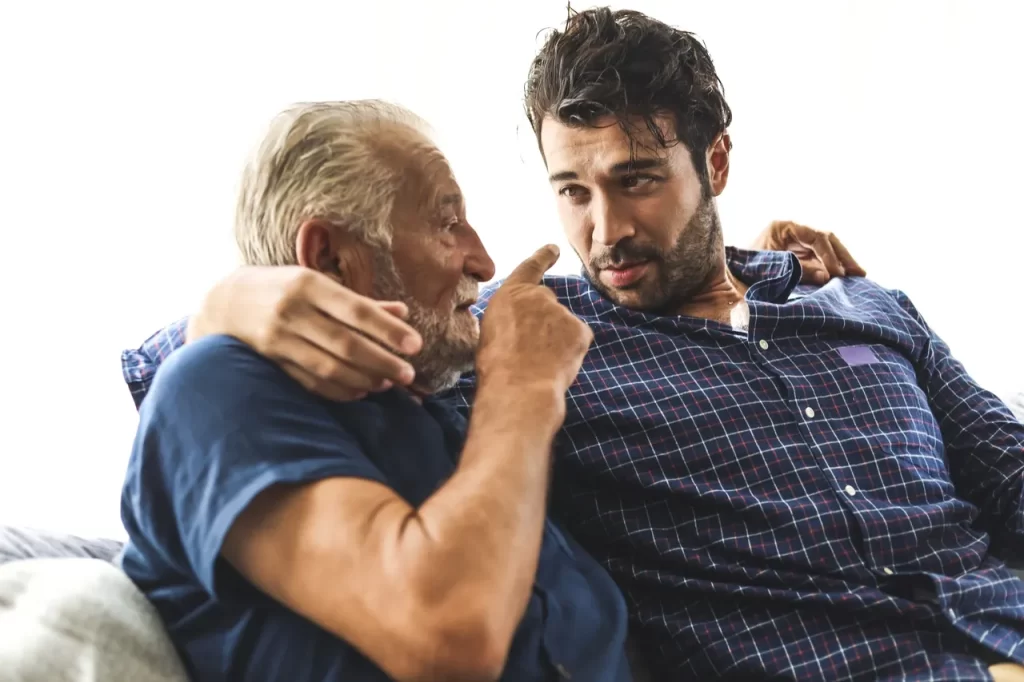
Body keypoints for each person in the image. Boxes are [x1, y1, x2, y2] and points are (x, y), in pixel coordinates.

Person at [122, 8, 1024, 680]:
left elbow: (1010, 475)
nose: (606, 230)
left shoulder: (868, 308)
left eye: (635, 182)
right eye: (572, 192)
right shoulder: (533, 339)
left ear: (713, 165)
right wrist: (230, 300)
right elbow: (225, 384)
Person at [119, 100, 635, 682]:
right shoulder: (216, 386)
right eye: (447, 224)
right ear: (331, 258)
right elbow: (450, 633)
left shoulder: (439, 416)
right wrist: (523, 383)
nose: (485, 262)